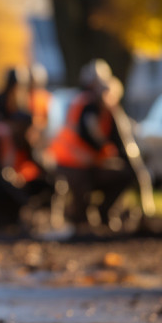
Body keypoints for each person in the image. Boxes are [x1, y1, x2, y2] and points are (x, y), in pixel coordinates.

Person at [47, 60, 138, 232]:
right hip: (71, 161)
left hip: (85, 162)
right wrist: (106, 151)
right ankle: (79, 221)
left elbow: (112, 139)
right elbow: (89, 135)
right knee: (82, 184)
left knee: (120, 175)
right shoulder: (86, 104)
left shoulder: (101, 109)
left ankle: (101, 214)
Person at [0, 113, 51, 235]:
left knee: (17, 188)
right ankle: (2, 223)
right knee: (6, 190)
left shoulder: (18, 139)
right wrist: (22, 198)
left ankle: (11, 222)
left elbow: (33, 164)